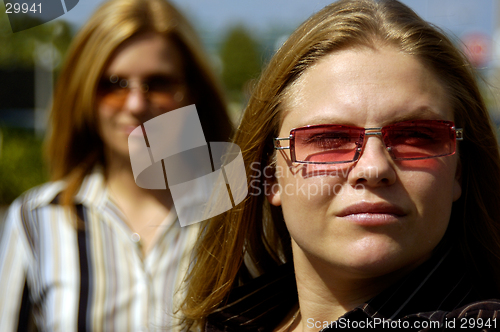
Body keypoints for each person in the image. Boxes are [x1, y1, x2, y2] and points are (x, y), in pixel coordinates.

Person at [181, 0, 500, 331]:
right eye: (329, 139)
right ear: (271, 173)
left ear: (459, 169)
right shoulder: (228, 318)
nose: (374, 167)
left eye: (416, 136)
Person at [0, 0, 232, 331]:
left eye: (158, 83)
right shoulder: (35, 220)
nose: (136, 104)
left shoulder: (236, 214)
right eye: (113, 85)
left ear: (191, 93)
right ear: (84, 93)